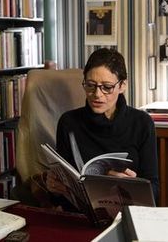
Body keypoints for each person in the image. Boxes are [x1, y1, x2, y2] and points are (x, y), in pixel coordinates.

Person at [46, 48, 159, 205]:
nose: (97, 94)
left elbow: (153, 189)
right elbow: (61, 192)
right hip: (80, 215)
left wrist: (133, 186)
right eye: (90, 85)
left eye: (107, 87)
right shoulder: (68, 122)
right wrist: (54, 186)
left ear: (122, 86)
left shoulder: (142, 123)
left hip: (126, 213)